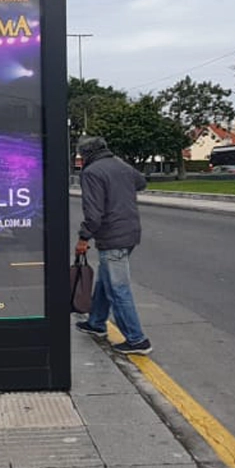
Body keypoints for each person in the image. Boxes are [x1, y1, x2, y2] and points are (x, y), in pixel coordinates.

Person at [74, 135, 152, 355]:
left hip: (112, 236)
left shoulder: (91, 173)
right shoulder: (120, 164)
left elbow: (94, 214)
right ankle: (96, 322)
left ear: (85, 154)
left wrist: (83, 238)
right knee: (104, 281)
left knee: (118, 289)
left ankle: (137, 340)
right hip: (131, 231)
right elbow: (141, 182)